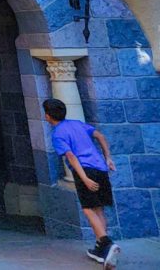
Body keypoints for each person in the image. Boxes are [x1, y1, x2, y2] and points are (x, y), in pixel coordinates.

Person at [43, 98, 121, 266]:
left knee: (87, 208)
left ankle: (107, 243)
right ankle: (100, 248)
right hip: (100, 168)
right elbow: (100, 136)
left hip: (85, 170)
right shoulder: (77, 124)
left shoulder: (57, 134)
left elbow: (71, 156)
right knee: (98, 208)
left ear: (48, 116)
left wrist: (84, 178)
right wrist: (108, 158)